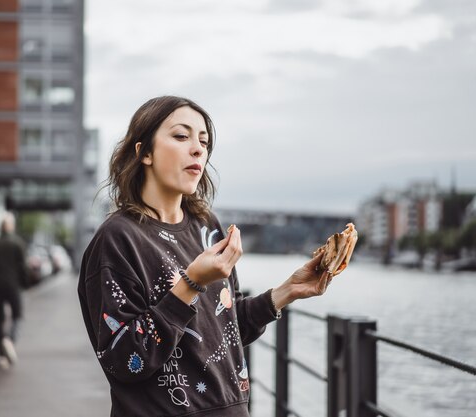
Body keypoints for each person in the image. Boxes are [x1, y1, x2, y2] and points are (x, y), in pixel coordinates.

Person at [77, 96, 334, 417]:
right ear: (144, 153)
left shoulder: (207, 227)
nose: (198, 149)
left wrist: (286, 292)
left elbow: (223, 329)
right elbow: (125, 360)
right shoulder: (118, 238)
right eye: (181, 136)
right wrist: (190, 284)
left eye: (204, 141)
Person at [0, 213, 28, 370]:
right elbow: (23, 268)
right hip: (13, 286)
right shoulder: (18, 244)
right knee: (17, 316)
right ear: (12, 227)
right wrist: (24, 284)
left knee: (0, 319)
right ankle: (10, 339)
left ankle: (1, 355)